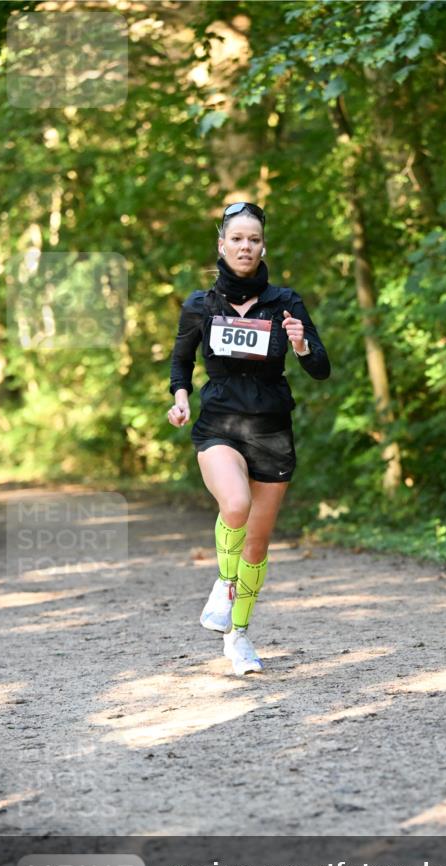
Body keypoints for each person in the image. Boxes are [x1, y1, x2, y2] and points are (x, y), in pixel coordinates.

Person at [167, 202, 330, 676]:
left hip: (271, 430)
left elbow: (320, 369)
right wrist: (180, 398)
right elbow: (181, 363)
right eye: (236, 239)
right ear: (222, 245)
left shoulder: (286, 302)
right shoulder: (201, 305)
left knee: (256, 545)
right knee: (234, 505)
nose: (245, 247)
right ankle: (223, 582)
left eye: (253, 240)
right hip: (219, 422)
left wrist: (301, 346)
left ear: (263, 248)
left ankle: (238, 637)